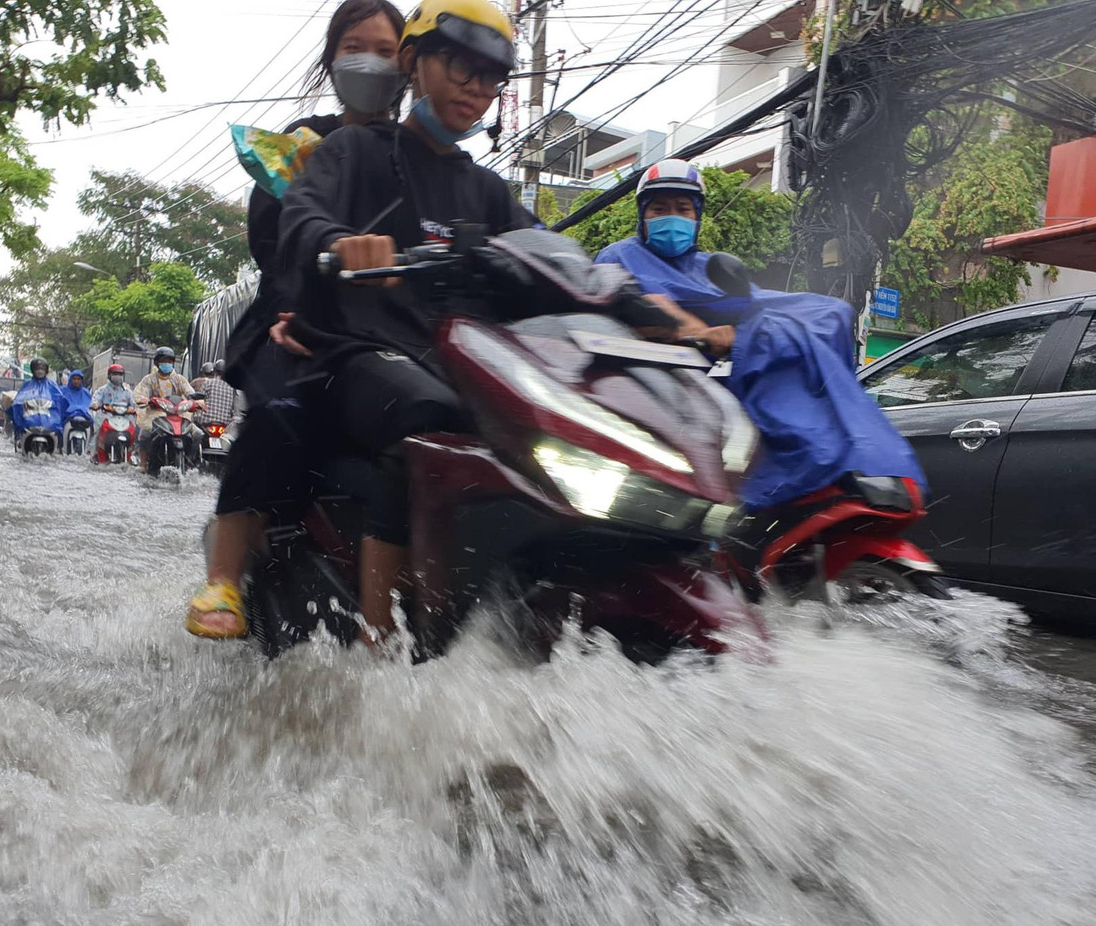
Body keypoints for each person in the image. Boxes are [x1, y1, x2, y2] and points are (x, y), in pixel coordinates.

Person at [252, 0, 533, 648]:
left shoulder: (489, 192)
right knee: (427, 415)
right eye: (461, 65)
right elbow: (301, 216)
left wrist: (628, 298)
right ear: (415, 63)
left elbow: (545, 251)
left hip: (449, 358)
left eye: (490, 77)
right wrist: (341, 240)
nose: (475, 87)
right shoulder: (349, 149)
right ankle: (380, 642)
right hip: (353, 350)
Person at [188, 0, 410, 640]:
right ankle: (224, 577)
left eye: (386, 49)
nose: (370, 60)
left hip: (392, 335)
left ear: (409, 64)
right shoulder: (301, 148)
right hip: (297, 319)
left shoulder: (422, 156)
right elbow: (276, 240)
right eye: (354, 47)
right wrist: (298, 305)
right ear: (330, 60)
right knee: (284, 409)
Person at [593, 158, 926, 511]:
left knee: (829, 315)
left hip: (726, 363)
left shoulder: (706, 265)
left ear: (697, 217)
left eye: (683, 209)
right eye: (659, 209)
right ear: (643, 216)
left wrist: (734, 336)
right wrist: (688, 326)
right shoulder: (620, 256)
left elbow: (748, 304)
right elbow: (621, 303)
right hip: (661, 384)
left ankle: (851, 454)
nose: (671, 218)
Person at [132, 346, 196, 473]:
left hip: (178, 414)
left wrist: (195, 401)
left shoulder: (179, 379)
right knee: (144, 434)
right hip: (155, 415)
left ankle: (190, 462)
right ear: (157, 362)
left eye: (169, 361)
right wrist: (144, 399)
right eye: (163, 360)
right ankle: (143, 464)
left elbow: (190, 392)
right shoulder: (149, 379)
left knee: (197, 434)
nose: (167, 363)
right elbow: (140, 393)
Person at [10, 357, 66, 445]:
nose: (40, 371)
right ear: (33, 370)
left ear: (46, 371)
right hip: (30, 419)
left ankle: (59, 446)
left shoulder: (52, 385)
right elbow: (18, 400)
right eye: (37, 369)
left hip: (48, 420)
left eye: (42, 369)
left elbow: (60, 401)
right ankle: (19, 440)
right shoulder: (27, 384)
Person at [60, 369, 95, 452]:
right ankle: (60, 446)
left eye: (78, 379)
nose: (76, 381)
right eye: (74, 379)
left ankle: (89, 448)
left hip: (84, 419)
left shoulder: (86, 393)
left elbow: (90, 404)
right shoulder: (63, 391)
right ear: (71, 379)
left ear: (81, 380)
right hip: (68, 419)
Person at [196, 361, 237, 429]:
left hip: (205, 421)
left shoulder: (208, 383)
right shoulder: (232, 388)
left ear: (214, 371)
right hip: (225, 423)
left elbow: (200, 400)